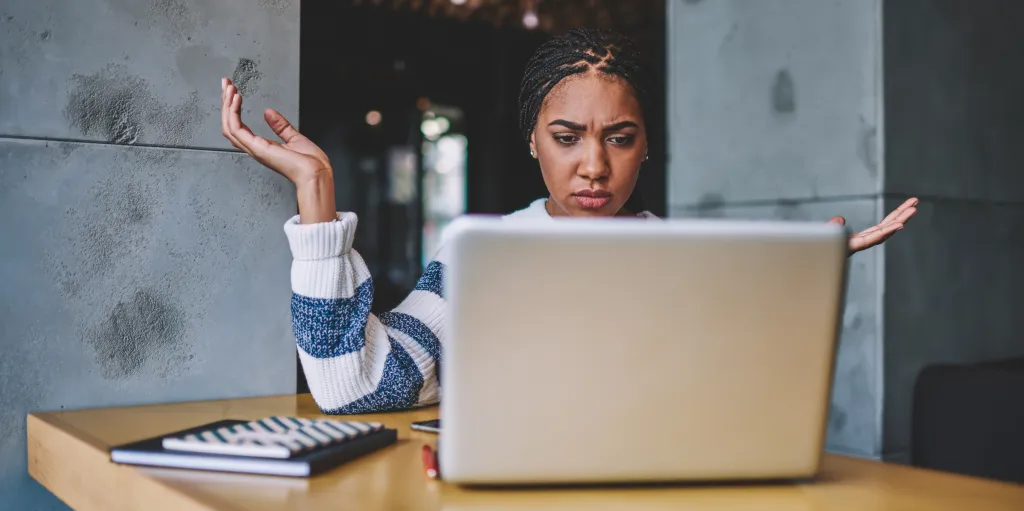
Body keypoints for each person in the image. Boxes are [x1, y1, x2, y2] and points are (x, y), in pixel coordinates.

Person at [219, 28, 918, 414]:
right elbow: (355, 386)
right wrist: (316, 192)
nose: (594, 166)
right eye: (566, 136)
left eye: (619, 137)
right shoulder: (481, 258)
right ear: (531, 140)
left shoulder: (693, 262)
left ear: (647, 147)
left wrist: (801, 280)